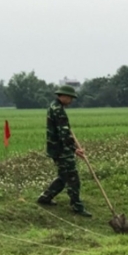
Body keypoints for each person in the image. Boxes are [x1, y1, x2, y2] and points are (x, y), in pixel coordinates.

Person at [37, 85, 92, 217]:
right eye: (70, 98)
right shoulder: (59, 111)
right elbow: (64, 135)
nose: (71, 101)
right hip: (62, 150)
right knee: (73, 178)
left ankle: (45, 197)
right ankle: (77, 206)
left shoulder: (54, 106)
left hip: (56, 148)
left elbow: (64, 132)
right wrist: (75, 150)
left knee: (63, 176)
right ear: (64, 96)